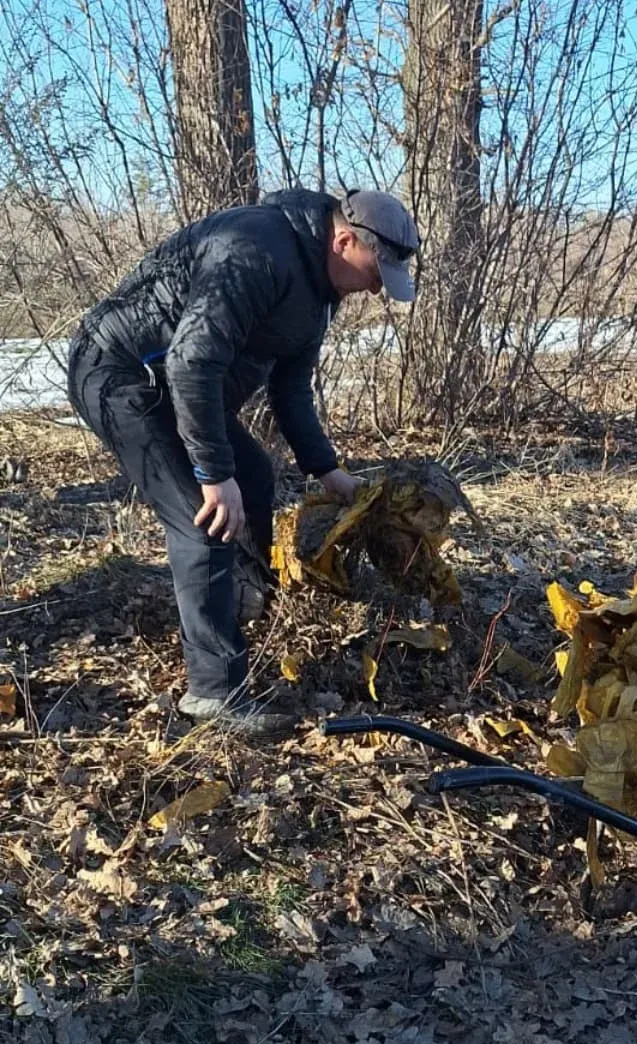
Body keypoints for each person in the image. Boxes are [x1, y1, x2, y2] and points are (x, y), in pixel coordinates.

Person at [68, 188, 420, 734]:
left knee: (254, 477)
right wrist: (212, 475)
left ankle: (249, 596)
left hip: (177, 384)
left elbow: (292, 391)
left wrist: (329, 471)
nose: (376, 289)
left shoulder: (321, 291)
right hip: (119, 375)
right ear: (344, 241)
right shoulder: (254, 249)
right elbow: (191, 363)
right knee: (207, 518)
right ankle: (214, 695)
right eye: (376, 273)